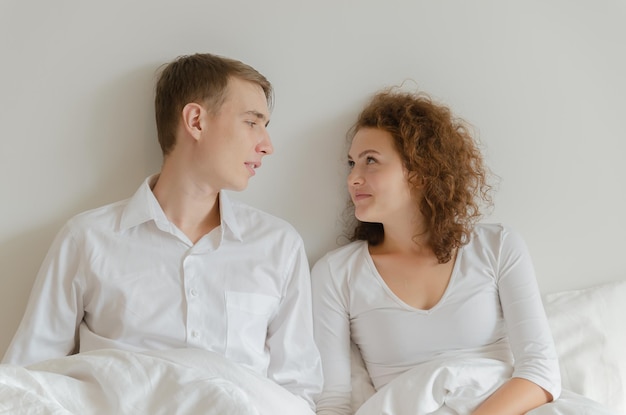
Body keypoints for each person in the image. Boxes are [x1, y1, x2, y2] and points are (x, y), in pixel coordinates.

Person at [3, 53, 322, 409]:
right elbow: (25, 383)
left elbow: (297, 394)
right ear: (196, 121)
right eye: (252, 122)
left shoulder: (278, 246)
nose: (267, 144)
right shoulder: (87, 239)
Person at [311, 88, 614, 414]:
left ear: (420, 171)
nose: (354, 178)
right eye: (351, 163)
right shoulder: (336, 273)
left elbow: (540, 372)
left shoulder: (497, 246)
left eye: (370, 160)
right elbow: (334, 402)